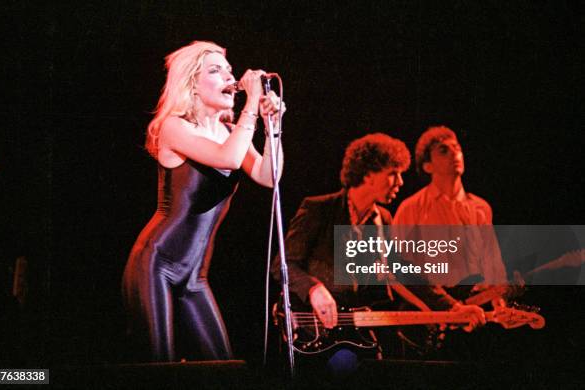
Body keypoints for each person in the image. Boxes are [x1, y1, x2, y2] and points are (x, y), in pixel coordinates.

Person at [123, 41, 285, 362]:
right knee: (161, 367)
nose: (229, 76)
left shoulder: (228, 130)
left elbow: (269, 176)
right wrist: (252, 105)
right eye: (215, 70)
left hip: (195, 276)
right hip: (155, 265)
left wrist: (272, 127)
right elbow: (228, 157)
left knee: (223, 365)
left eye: (228, 69)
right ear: (192, 85)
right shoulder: (175, 127)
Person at [272, 133, 484, 375]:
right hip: (311, 330)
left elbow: (402, 271)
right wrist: (314, 289)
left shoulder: (382, 219)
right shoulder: (319, 208)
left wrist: (453, 307)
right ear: (369, 174)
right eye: (393, 173)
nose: (400, 182)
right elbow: (282, 264)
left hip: (356, 331)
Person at [393, 126, 507, 287]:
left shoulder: (480, 208)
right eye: (443, 150)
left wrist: (500, 298)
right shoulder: (412, 208)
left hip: (476, 305)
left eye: (457, 148)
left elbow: (493, 262)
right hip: (435, 307)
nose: (455, 154)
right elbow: (398, 266)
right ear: (428, 166)